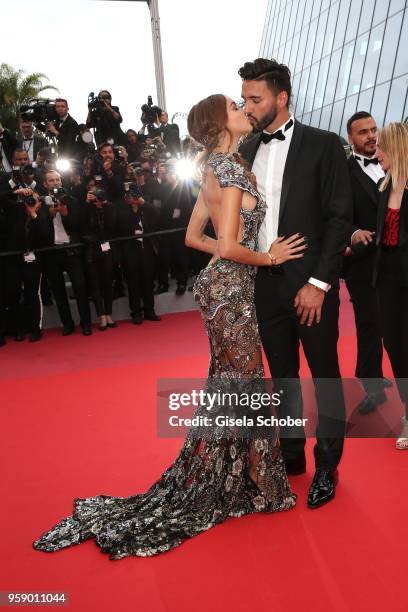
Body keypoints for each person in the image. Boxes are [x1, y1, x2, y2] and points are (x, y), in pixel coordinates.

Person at [32, 92, 303, 559]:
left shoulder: (212, 168)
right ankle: (261, 482)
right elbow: (233, 246)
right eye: (236, 108)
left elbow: (195, 237)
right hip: (233, 291)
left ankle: (244, 475)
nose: (244, 111)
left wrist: (234, 257)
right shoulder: (233, 169)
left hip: (215, 289)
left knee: (232, 383)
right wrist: (269, 256)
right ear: (221, 124)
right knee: (247, 383)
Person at [239, 58, 352, 508]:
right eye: (245, 98)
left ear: (281, 98)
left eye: (255, 98)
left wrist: (319, 282)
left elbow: (339, 218)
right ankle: (292, 458)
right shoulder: (245, 150)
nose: (248, 106)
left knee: (324, 375)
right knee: (282, 377)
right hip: (264, 284)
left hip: (311, 286)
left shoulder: (324, 145)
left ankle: (328, 465)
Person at [343, 111, 391, 415]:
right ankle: (374, 387)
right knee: (370, 326)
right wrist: (351, 235)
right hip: (362, 264)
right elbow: (335, 213)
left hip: (397, 259)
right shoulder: (342, 171)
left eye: (374, 129)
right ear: (351, 138)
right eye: (363, 132)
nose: (371, 135)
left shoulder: (394, 164)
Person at [374, 122, 408, 450]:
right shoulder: (383, 188)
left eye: (381, 147)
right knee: (395, 345)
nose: (376, 153)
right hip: (387, 280)